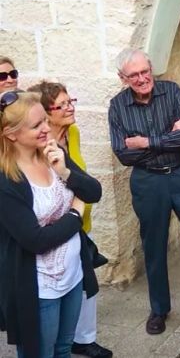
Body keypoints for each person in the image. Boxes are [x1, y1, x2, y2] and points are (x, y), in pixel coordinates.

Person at [107, 48, 180, 335]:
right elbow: (123, 153)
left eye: (145, 71)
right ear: (123, 78)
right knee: (154, 246)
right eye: (134, 75)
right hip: (148, 183)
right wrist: (169, 136)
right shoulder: (117, 106)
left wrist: (146, 142)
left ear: (151, 69)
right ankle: (159, 309)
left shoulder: (172, 92)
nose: (142, 79)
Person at [0, 90, 102, 357]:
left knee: (64, 348)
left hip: (72, 274)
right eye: (36, 125)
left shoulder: (52, 153)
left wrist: (65, 172)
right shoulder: (6, 179)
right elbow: (36, 240)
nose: (47, 128)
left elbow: (94, 192)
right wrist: (76, 215)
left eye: (45, 120)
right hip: (39, 287)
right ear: (11, 134)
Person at [27, 81, 113, 358]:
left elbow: (89, 186)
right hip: (51, 251)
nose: (70, 108)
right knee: (43, 345)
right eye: (61, 105)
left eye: (70, 101)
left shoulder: (68, 138)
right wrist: (76, 207)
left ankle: (83, 339)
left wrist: (68, 177)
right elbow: (35, 233)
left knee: (84, 288)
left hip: (76, 231)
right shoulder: (24, 165)